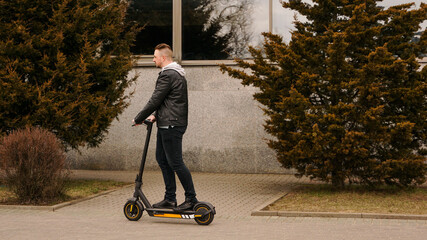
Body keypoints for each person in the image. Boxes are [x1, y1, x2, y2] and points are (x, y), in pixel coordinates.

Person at [133, 43, 197, 211]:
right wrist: (155, 115)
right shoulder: (175, 74)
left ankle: (191, 199)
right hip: (167, 122)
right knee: (162, 159)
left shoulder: (168, 75)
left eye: (154, 57)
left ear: (163, 58)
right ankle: (170, 198)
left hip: (171, 125)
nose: (153, 60)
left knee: (176, 162)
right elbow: (168, 100)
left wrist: (138, 118)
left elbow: (155, 99)